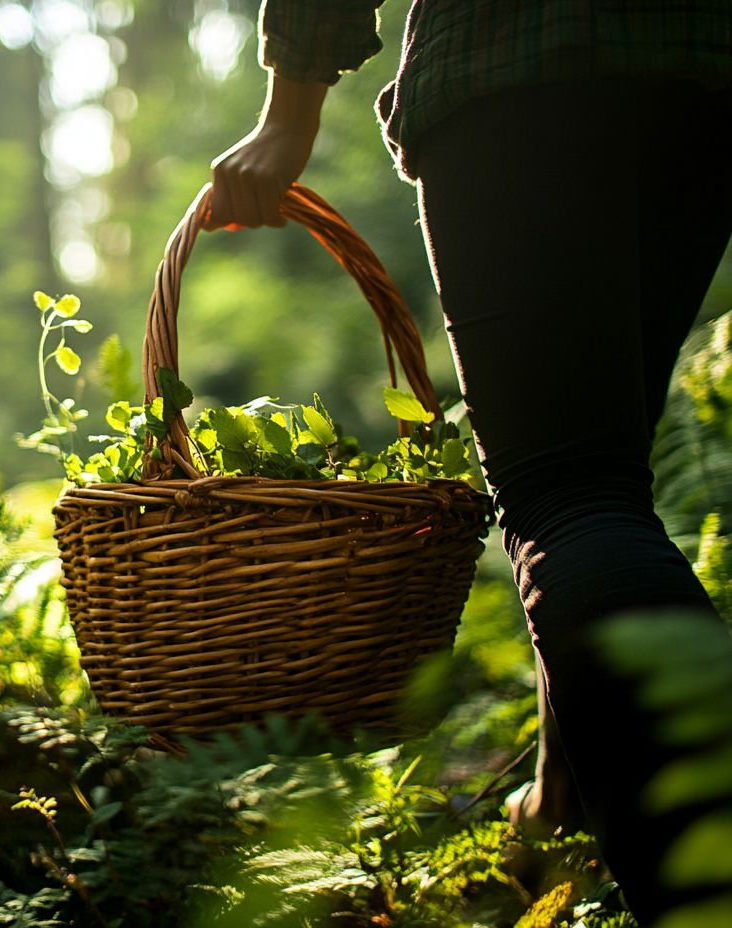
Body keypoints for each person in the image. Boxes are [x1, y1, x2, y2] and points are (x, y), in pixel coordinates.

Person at [205, 2, 732, 924]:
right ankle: (562, 802)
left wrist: (290, 113)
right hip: (702, 75)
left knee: (572, 493)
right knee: (600, 482)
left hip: (519, 58)